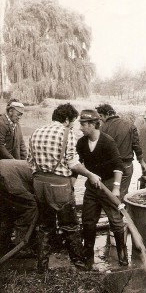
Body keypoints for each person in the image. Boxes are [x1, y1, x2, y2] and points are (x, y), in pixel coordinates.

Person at [28, 103, 101, 273]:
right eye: (73, 121)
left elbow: (30, 161)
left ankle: (42, 267)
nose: (74, 125)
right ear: (66, 120)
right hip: (59, 185)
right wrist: (90, 175)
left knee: (45, 226)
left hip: (39, 184)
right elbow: (72, 163)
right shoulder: (66, 133)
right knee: (70, 225)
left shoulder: (36, 132)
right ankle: (80, 266)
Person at [76, 109, 128, 268]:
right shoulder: (82, 143)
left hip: (108, 185)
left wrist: (116, 189)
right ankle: (88, 257)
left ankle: (122, 255)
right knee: (88, 221)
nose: (81, 128)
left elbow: (118, 166)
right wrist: (71, 184)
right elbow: (76, 165)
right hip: (92, 188)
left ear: (93, 124)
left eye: (83, 125)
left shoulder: (107, 142)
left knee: (116, 221)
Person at [95, 104, 146, 201]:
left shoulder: (102, 129)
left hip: (109, 166)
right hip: (126, 165)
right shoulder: (130, 125)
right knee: (122, 192)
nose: (100, 120)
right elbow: (136, 146)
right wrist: (142, 162)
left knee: (109, 192)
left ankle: (112, 212)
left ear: (106, 115)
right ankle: (120, 213)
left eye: (101, 117)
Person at [0, 160, 37, 258]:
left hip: (5, 171)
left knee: (7, 211)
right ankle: (21, 248)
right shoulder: (51, 173)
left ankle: (3, 245)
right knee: (31, 206)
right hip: (7, 177)